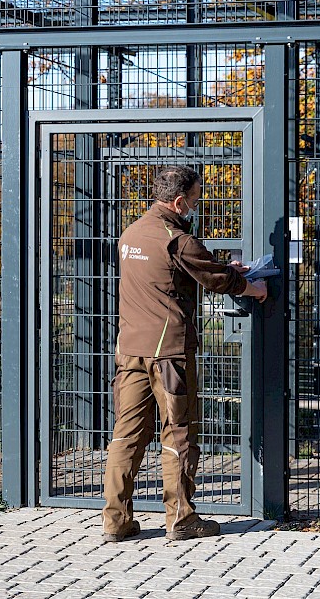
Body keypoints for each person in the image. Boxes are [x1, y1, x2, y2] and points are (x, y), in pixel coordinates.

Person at [102, 165, 267, 543]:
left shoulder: (131, 233)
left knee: (126, 435)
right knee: (178, 436)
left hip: (129, 352)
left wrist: (222, 268)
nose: (194, 206)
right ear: (178, 201)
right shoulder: (177, 239)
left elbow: (181, 272)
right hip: (169, 354)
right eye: (193, 200)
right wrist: (252, 287)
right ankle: (182, 520)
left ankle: (115, 521)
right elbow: (215, 278)